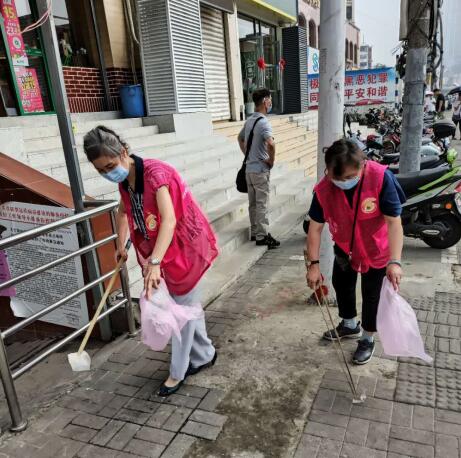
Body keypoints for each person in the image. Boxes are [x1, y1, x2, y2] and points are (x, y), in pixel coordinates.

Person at [83, 126, 218, 396]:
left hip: (185, 249)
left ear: (124, 152)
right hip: (164, 251)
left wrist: (154, 262)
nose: (108, 173)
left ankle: (177, 372)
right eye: (100, 171)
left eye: (110, 166)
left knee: (181, 313)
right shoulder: (125, 181)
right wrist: (120, 244)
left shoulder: (156, 175)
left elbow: (169, 221)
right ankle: (205, 354)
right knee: (187, 308)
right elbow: (123, 212)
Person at [305, 139, 405, 365]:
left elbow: (394, 222)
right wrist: (314, 265)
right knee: (342, 285)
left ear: (363, 165)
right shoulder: (324, 189)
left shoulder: (380, 178)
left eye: (350, 177)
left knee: (372, 295)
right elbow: (315, 228)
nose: (344, 182)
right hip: (345, 247)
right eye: (337, 178)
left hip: (376, 250)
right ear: (328, 171)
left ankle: (368, 338)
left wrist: (395, 261)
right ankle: (349, 325)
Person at [238, 88, 280, 249]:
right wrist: (271, 160)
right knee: (262, 203)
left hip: (249, 170)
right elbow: (271, 143)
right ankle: (262, 236)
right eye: (269, 99)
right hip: (260, 170)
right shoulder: (263, 122)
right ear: (264, 102)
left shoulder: (249, 120)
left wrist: (248, 155)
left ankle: (255, 232)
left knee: (253, 203)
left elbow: (240, 138)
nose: (270, 102)